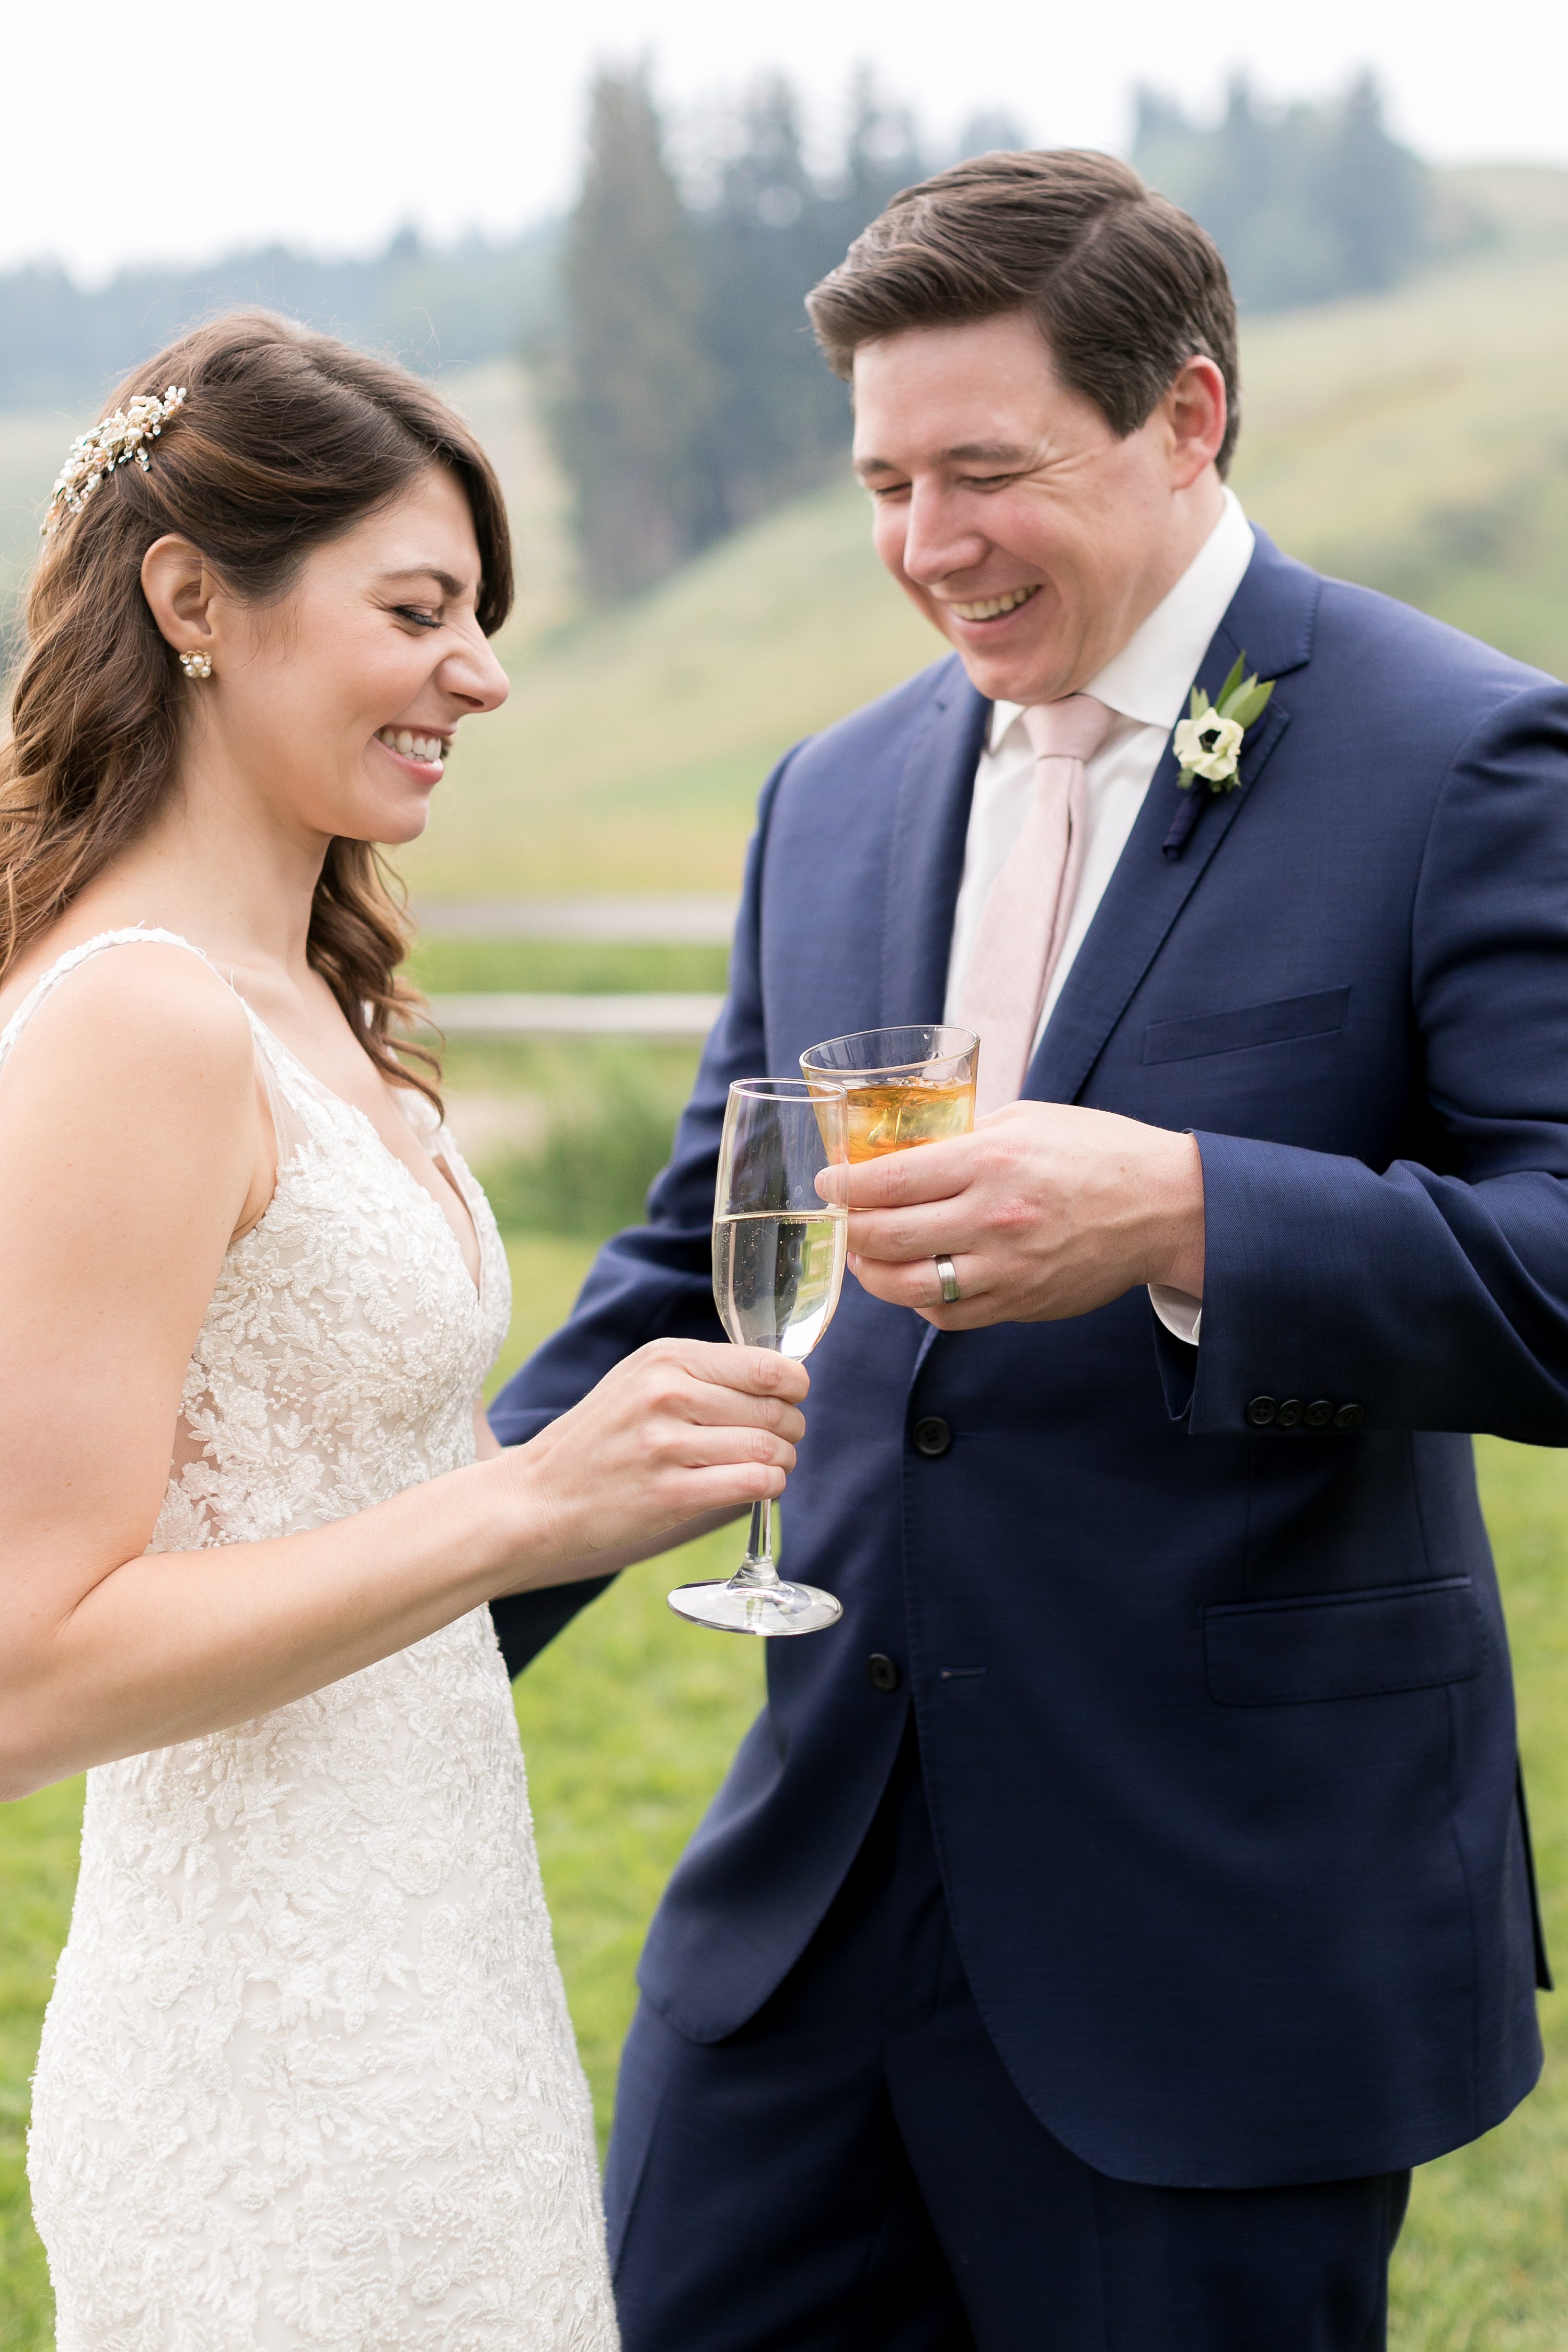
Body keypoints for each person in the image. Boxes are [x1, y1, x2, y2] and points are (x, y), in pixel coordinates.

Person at [490, 151, 1568, 2351]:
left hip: (1216, 1929)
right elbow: (709, 1244)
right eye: (885, 482)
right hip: (801, 1912)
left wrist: (1187, 1211)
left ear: (1189, 415)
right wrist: (401, 1594)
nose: (926, 546)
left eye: (985, 471)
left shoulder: (1466, 755)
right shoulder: (839, 790)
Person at [2, 313, 809, 2352]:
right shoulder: (133, 1022)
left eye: (485, 615)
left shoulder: (320, 1008)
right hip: (261, 2059)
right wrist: (527, 1510)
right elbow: (21, 1671)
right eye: (421, 608)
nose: (487, 672)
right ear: (195, 599)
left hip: (445, 1988)